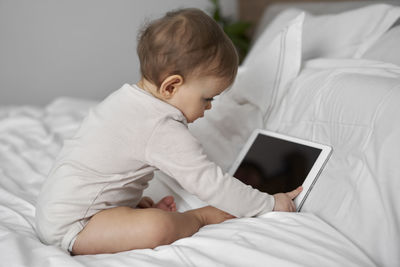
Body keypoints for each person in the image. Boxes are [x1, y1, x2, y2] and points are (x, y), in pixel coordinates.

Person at [35, 8, 302, 255]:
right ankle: (199, 217)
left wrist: (125, 209)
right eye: (208, 98)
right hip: (77, 226)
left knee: (144, 214)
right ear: (171, 87)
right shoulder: (160, 127)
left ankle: (125, 215)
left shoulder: (126, 99)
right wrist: (269, 204)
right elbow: (211, 183)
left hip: (57, 210)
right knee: (158, 227)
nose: (208, 108)